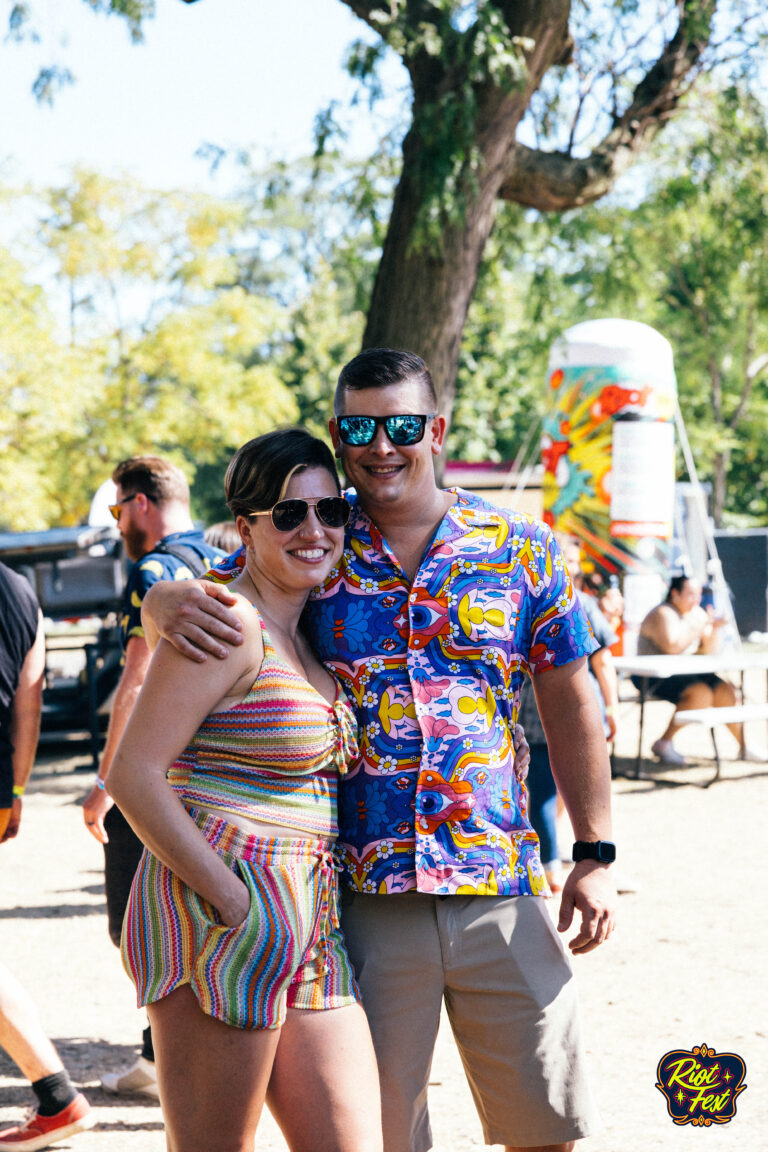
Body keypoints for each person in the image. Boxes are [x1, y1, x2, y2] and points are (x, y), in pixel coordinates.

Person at [144, 348, 617, 1152]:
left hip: (499, 883)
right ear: (338, 431)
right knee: (386, 1137)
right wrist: (159, 599)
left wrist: (595, 848)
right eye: (360, 426)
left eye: (402, 425)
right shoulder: (317, 537)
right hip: (365, 895)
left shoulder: (521, 547)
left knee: (547, 1127)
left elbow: (571, 700)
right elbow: (221, 597)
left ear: (436, 430)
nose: (381, 444)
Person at [108, 430, 382, 1152]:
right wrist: (231, 899)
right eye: (289, 514)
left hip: (312, 921)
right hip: (218, 918)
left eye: (330, 511)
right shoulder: (225, 622)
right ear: (247, 523)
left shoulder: (313, 628)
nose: (314, 530)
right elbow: (132, 774)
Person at [81, 455, 225, 1098]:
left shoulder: (154, 570)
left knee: (135, 924)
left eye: (117, 510)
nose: (117, 524)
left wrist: (107, 781)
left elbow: (136, 681)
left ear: (141, 502)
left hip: (158, 773)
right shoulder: (224, 556)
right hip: (214, 772)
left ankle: (158, 1056)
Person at [0, 563, 94, 1150]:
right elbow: (29, 703)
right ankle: (57, 1096)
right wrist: (15, 791)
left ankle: (57, 1094)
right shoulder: (19, 588)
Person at [636, 574, 744, 766]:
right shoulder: (663, 613)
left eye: (699, 594)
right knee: (700, 693)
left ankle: (744, 746)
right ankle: (664, 743)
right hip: (649, 676)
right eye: (691, 594)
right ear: (675, 594)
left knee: (726, 691)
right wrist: (701, 625)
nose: (697, 600)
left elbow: (708, 651)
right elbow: (672, 647)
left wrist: (714, 629)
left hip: (685, 673)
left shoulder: (696, 614)